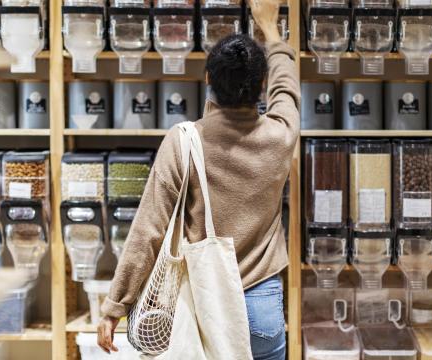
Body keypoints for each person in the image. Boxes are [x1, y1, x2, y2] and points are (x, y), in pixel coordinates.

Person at [97, 0, 300, 357]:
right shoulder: (280, 135)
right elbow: (287, 87)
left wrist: (116, 305)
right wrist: (269, 28)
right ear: (262, 85)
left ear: (208, 79)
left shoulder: (185, 140)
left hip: (205, 308)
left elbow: (149, 228)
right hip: (262, 311)